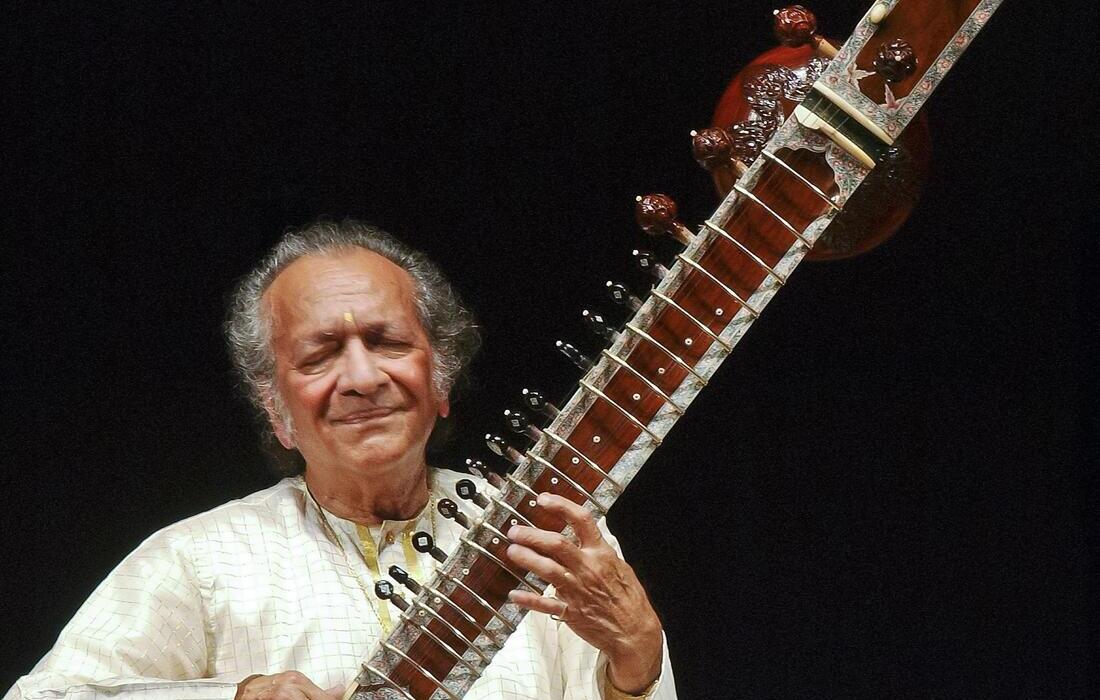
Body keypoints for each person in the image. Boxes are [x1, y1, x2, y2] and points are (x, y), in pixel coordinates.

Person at [5, 220, 677, 700]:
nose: (361, 377)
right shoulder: (199, 562)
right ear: (276, 410)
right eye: (320, 355)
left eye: (388, 343)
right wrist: (236, 697)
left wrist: (638, 663)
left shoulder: (550, 534)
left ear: (440, 380)